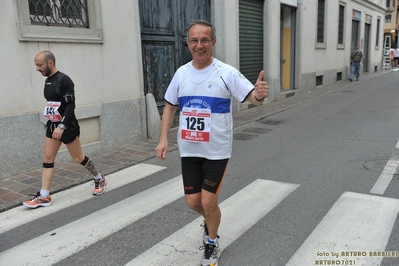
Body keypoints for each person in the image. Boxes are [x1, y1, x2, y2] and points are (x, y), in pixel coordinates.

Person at [155, 20, 268, 266]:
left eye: (204, 40)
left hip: (216, 150)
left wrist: (258, 95)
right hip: (189, 149)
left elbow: (253, 99)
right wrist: (163, 138)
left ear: (213, 43)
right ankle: (211, 220)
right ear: (188, 44)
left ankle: (212, 242)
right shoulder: (181, 73)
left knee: (208, 200)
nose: (199, 45)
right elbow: (171, 106)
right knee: (192, 202)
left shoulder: (226, 72)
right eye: (194, 40)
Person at [23, 51, 108, 209]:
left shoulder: (65, 80)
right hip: (53, 124)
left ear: (50, 63)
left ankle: (99, 178)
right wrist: (54, 123)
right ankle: (44, 196)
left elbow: (70, 106)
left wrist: (62, 126)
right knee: (48, 159)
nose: (37, 68)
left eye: (39, 65)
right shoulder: (48, 81)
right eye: (36, 65)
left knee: (78, 158)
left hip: (67, 126)